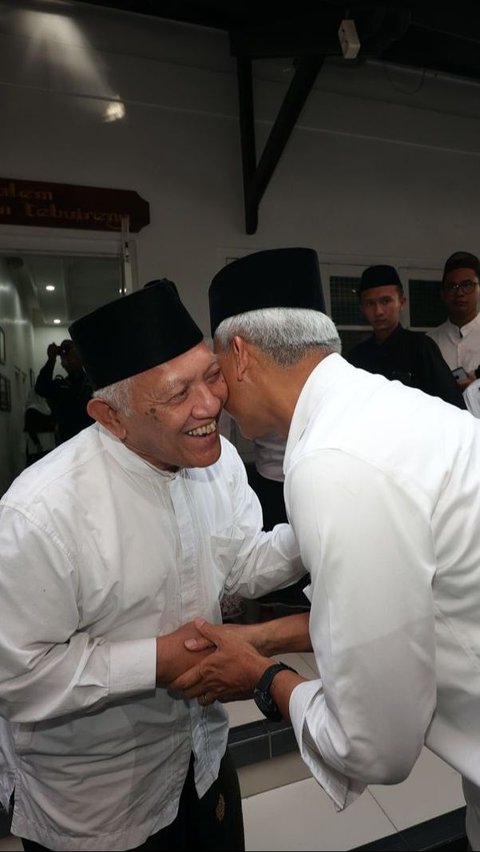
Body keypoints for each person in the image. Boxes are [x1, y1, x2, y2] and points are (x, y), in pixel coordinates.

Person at [170, 247, 480, 851]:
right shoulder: (379, 406)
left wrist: (261, 677)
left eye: (213, 375)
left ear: (240, 353)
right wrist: (261, 632)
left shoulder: (335, 462)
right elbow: (397, 602)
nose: (213, 399)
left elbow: (376, 747)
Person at [0, 279, 305, 852]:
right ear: (109, 416)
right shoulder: (40, 514)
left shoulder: (216, 466)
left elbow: (238, 567)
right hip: (101, 800)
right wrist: (152, 661)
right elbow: (15, 678)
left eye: (212, 375)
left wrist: (323, 532)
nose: (210, 405)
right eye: (176, 393)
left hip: (201, 755)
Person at [347, 264, 465, 407]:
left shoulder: (420, 347)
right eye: (370, 303)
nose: (378, 311)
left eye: (386, 301)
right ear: (362, 309)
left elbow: (451, 404)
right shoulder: (356, 358)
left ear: (401, 303)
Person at [427, 251, 480, 392]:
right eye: (452, 287)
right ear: (443, 294)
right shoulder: (429, 342)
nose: (460, 293)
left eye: (467, 285)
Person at [35, 338, 94, 444]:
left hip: (92, 440)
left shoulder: (93, 383)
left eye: (73, 353)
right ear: (62, 364)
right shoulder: (60, 386)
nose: (69, 359)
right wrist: (51, 360)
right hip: (67, 442)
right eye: (65, 355)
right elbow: (41, 388)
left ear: (81, 357)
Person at [23, 388, 56, 466]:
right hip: (44, 442)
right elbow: (31, 428)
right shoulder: (47, 409)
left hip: (39, 442)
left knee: (38, 465)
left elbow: (30, 428)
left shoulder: (31, 410)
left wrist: (37, 443)